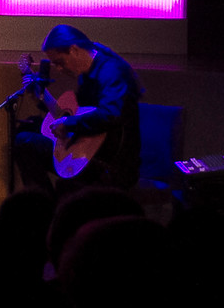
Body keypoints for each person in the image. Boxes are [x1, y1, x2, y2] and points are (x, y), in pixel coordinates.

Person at [12, 24, 142, 190]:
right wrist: (41, 98)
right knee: (25, 140)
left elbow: (111, 114)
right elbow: (81, 114)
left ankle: (47, 208)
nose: (59, 69)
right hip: (91, 152)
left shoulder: (111, 72)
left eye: (60, 62)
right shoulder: (87, 75)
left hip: (112, 162)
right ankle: (44, 206)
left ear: (74, 50)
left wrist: (68, 123)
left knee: (29, 145)